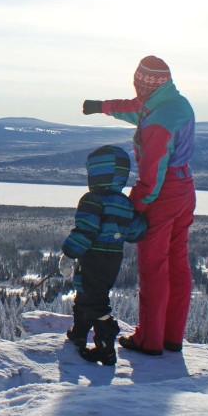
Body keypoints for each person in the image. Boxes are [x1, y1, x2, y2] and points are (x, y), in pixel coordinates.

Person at [82, 55, 196, 356]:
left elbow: (152, 172)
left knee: (154, 266)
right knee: (177, 263)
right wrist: (101, 106)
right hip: (185, 188)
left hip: (163, 193)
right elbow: (134, 109)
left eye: (139, 83)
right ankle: (172, 337)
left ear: (144, 82)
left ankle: (150, 340)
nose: (137, 89)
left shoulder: (158, 122)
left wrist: (134, 207)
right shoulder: (173, 102)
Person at [59, 145, 147, 365]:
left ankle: (106, 349)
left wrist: (69, 253)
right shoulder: (125, 203)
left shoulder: (92, 200)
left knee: (93, 300)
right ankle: (79, 332)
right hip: (112, 260)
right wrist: (143, 221)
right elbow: (135, 232)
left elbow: (85, 231)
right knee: (89, 295)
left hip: (93, 257)